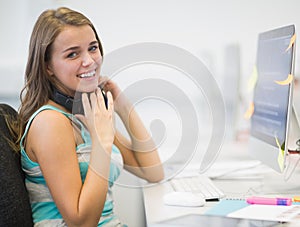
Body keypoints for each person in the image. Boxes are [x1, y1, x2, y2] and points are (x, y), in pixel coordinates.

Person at [17, 7, 164, 226]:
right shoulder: (50, 123)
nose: (89, 61)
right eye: (72, 54)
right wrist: (102, 141)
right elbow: (82, 222)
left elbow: (153, 171)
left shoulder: (85, 115)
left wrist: (121, 104)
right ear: (48, 66)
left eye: (92, 48)